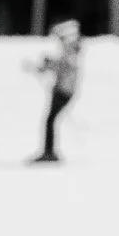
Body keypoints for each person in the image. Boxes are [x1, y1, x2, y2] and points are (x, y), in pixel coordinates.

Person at [26, 19, 82, 163]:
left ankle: (49, 152)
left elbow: (61, 67)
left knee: (50, 120)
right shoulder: (71, 52)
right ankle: (49, 151)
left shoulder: (70, 53)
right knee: (50, 120)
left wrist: (47, 64)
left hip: (63, 92)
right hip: (64, 92)